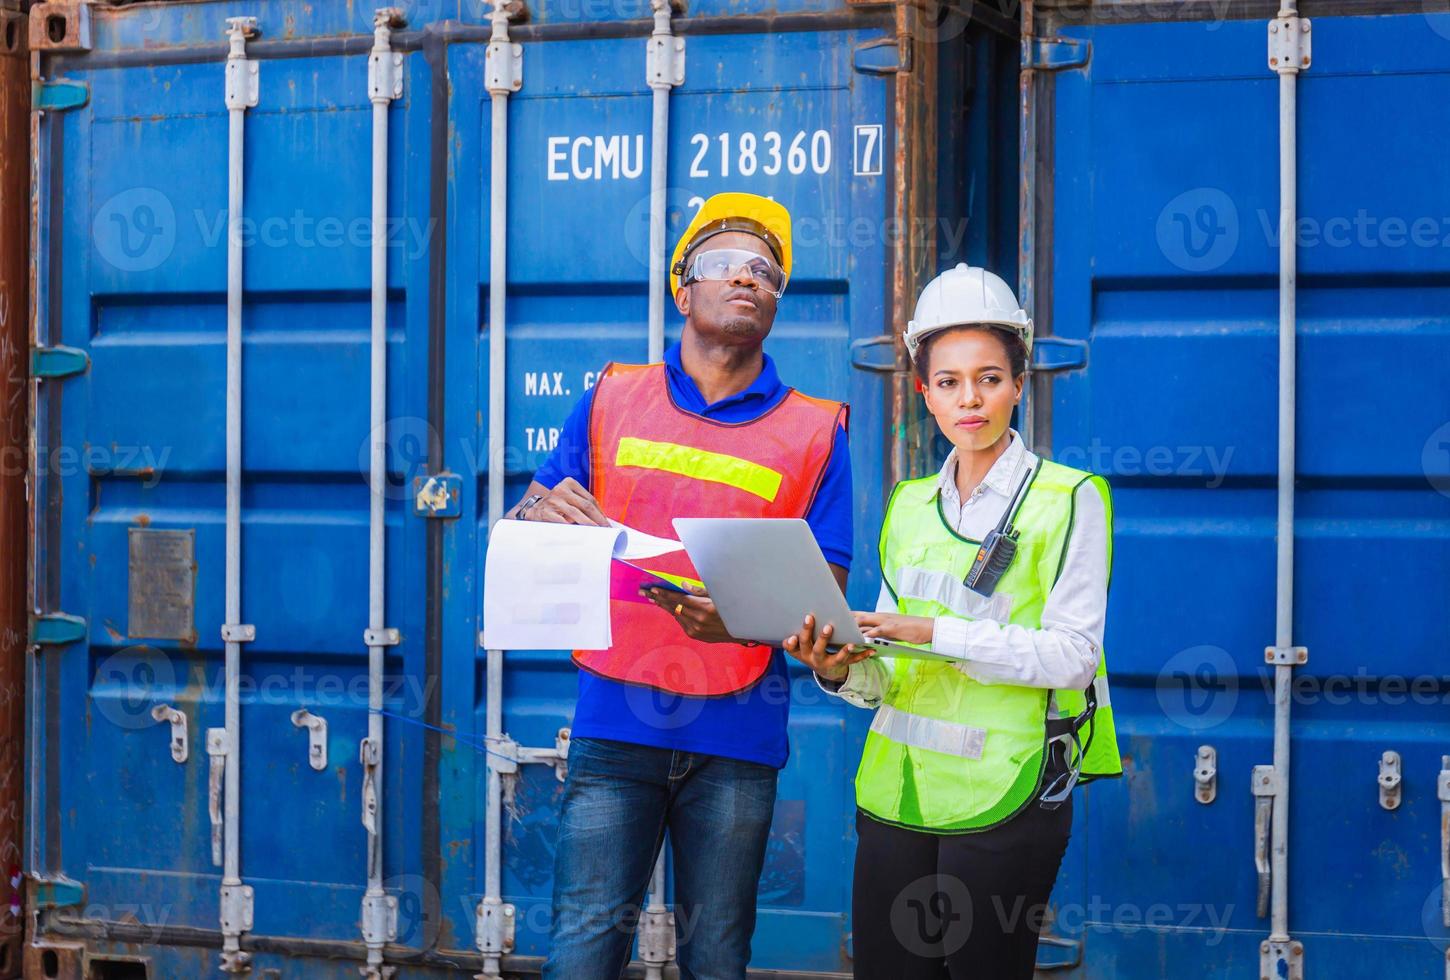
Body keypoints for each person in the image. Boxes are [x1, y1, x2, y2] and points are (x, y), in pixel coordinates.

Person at [510, 193, 854, 980]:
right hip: (613, 728)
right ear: (682, 289)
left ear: (776, 301)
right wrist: (535, 509)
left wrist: (735, 619)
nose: (746, 280)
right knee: (582, 957)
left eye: (765, 272)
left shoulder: (816, 430)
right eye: (723, 264)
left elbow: (822, 595)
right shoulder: (610, 397)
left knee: (717, 962)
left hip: (737, 740)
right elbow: (530, 525)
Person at [783, 264, 1121, 979]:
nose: (970, 399)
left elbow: (1073, 658)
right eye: (949, 381)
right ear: (924, 391)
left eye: (990, 378)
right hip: (898, 796)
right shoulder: (908, 504)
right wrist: (838, 667)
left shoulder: (1070, 499)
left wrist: (931, 633)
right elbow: (885, 678)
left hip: (1010, 795)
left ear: (1020, 383)